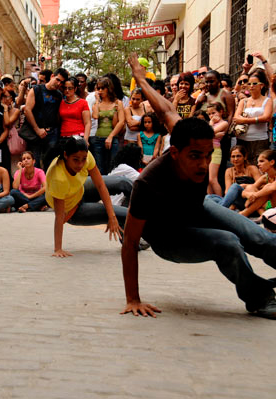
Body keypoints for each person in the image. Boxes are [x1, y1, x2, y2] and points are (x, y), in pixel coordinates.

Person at [120, 53, 276, 320]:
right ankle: (259, 297)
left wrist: (141, 80)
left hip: (197, 208)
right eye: (195, 156)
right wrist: (133, 298)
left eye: (207, 155)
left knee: (259, 236)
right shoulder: (147, 183)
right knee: (227, 243)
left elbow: (165, 110)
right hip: (169, 237)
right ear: (175, 153)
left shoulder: (189, 135)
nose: (204, 164)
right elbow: (131, 242)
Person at [44, 137, 131, 258]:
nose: (80, 164)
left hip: (80, 190)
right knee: (125, 214)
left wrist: (112, 216)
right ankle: (137, 236)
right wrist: (58, 249)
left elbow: (100, 185)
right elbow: (59, 216)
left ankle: (146, 208)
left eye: (83, 160)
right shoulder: (58, 177)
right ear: (66, 155)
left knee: (122, 182)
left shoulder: (84, 154)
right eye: (75, 160)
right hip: (72, 211)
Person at [23, 68, 69, 167]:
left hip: (51, 134)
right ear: (52, 76)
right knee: (34, 164)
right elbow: (27, 110)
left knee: (51, 165)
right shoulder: (36, 89)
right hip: (34, 133)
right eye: (57, 79)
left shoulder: (59, 95)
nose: (58, 83)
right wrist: (37, 129)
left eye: (61, 82)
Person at [233, 68, 273, 165]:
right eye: (249, 84)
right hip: (243, 139)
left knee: (260, 166)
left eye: (254, 84)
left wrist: (245, 120)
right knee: (244, 166)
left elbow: (266, 117)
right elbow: (236, 118)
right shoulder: (244, 101)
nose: (251, 86)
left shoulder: (267, 101)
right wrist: (256, 119)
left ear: (262, 85)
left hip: (260, 139)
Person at [91, 77, 125, 175]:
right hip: (98, 139)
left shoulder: (118, 103)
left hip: (113, 138)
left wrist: (110, 136)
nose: (100, 91)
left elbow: (121, 121)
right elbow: (96, 116)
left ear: (108, 88)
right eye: (98, 88)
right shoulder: (96, 104)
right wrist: (97, 101)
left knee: (112, 167)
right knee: (99, 168)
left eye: (103, 88)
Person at [239, 150, 276, 217]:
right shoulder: (265, 177)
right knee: (250, 187)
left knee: (267, 189)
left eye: (261, 161)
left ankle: (245, 213)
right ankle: (262, 215)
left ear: (272, 162)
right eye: (258, 161)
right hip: (268, 207)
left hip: (273, 208)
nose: (258, 164)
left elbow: (271, 188)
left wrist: (255, 195)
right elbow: (244, 192)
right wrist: (249, 195)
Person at [206, 102, 229, 195]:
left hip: (215, 151)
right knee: (207, 179)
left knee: (212, 179)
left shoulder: (224, 123)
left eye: (213, 113)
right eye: (209, 114)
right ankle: (210, 200)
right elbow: (204, 133)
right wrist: (212, 134)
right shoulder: (211, 123)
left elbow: (208, 132)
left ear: (221, 112)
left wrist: (211, 127)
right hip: (207, 151)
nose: (211, 116)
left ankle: (220, 201)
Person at [59, 77, 91, 141]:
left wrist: (86, 139)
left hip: (78, 137)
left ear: (75, 89)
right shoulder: (60, 102)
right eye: (65, 88)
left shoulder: (83, 102)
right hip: (63, 136)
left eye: (70, 88)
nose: (67, 90)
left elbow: (87, 123)